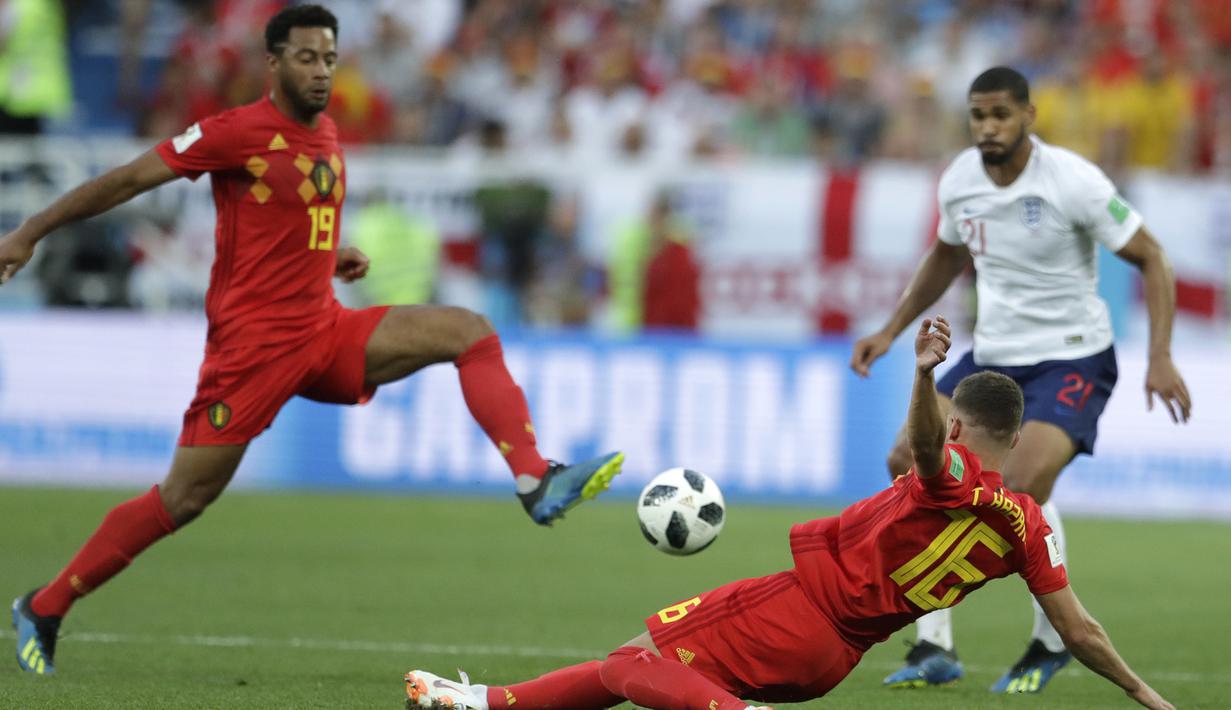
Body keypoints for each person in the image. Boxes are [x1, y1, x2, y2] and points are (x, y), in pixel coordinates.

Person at [1, 5, 623, 676]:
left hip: (324, 330)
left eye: (329, 58)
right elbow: (125, 180)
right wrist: (31, 230)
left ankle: (534, 478)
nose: (321, 71)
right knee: (184, 498)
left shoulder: (325, 133)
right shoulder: (234, 132)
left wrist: (329, 256)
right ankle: (46, 603)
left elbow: (277, 226)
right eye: (306, 58)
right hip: (253, 352)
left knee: (468, 331)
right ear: (273, 63)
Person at [401, 315, 1174, 710]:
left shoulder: (958, 478)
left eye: (940, 413)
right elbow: (1077, 630)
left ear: (964, 426)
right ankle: (481, 701)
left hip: (801, 611)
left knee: (629, 669)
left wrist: (921, 372)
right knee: (632, 656)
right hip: (830, 652)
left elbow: (930, 457)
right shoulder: (1028, 525)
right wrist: (1145, 695)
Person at [849, 66, 1191, 693]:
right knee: (907, 458)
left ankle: (1052, 637)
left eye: (1001, 115)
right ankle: (933, 644)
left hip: (1072, 356)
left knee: (1019, 485)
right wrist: (892, 329)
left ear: (1029, 116)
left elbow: (1153, 256)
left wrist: (1161, 355)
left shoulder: (1074, 182)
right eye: (978, 116)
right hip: (994, 354)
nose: (988, 127)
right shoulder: (959, 181)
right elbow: (948, 253)